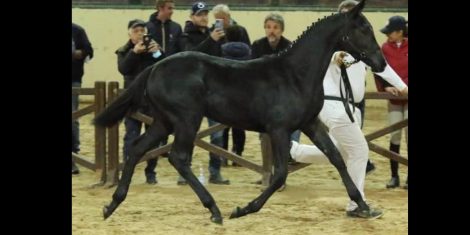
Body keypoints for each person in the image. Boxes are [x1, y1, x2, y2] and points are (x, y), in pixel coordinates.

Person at [288, 0, 408, 219]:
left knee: (344, 152)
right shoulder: (330, 44)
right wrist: (337, 56)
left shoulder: (360, 44)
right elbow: (334, 57)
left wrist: (401, 87)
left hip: (350, 107)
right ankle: (356, 205)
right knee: (360, 151)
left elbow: (382, 67)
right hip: (334, 105)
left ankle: (294, 151)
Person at [178, 1, 230, 185]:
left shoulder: (213, 34)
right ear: (192, 17)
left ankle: (215, 172)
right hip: (191, 93)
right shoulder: (184, 36)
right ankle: (184, 170)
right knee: (188, 132)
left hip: (214, 91)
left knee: (217, 134)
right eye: (200, 14)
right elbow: (190, 57)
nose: (203, 17)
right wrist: (211, 40)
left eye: (205, 14)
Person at [116, 19, 163, 184]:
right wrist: (134, 52)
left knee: (154, 137)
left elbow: (165, 65)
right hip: (133, 100)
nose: (140, 34)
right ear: (129, 33)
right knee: (131, 135)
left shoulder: (153, 48)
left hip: (153, 100)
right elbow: (123, 68)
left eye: (142, 30)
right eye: (136, 31)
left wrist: (158, 52)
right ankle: (126, 169)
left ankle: (151, 172)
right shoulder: (124, 50)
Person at [251, 13, 301, 143]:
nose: (271, 31)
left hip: (285, 96)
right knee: (266, 135)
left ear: (281, 30)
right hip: (263, 96)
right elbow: (251, 70)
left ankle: (291, 154)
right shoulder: (257, 45)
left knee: (291, 128)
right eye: (268, 27)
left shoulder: (290, 46)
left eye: (275, 27)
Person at [375, 15, 408, 189]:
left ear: (400, 32)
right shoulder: (384, 48)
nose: (387, 35)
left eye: (390, 32)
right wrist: (386, 88)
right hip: (394, 98)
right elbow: (379, 70)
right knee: (395, 134)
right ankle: (394, 176)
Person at [220, 25, 252, 166]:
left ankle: (223, 155)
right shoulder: (248, 51)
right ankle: (238, 154)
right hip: (243, 92)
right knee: (240, 126)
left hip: (225, 92)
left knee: (223, 127)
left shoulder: (221, 50)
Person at [72, 23, 93, 174]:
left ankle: (73, 155)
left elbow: (88, 51)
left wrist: (75, 54)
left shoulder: (78, 30)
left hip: (73, 78)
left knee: (73, 116)